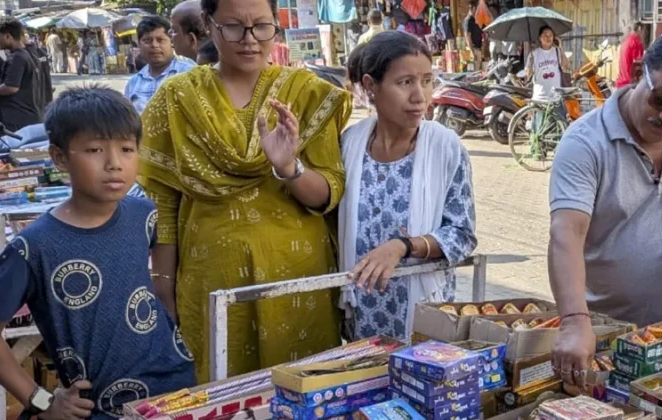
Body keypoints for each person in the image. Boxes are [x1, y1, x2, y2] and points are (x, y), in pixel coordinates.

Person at [0, 87, 196, 420]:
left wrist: (169, 310)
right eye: (95, 150)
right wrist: (42, 401)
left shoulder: (143, 214)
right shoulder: (33, 248)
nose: (115, 164)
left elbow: (159, 266)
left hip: (178, 391)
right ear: (59, 157)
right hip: (104, 418)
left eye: (127, 149)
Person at [139, 0, 352, 382]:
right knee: (222, 399)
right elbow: (164, 206)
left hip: (296, 277)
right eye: (234, 27)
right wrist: (164, 285)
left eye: (262, 26)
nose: (250, 40)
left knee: (303, 397)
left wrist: (288, 167)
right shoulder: (175, 99)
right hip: (210, 278)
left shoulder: (306, 94)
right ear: (208, 25)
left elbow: (328, 194)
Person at [548, 33, 662, 386]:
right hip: (608, 340)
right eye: (661, 100)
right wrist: (574, 321)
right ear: (636, 73)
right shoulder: (584, 143)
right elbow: (567, 232)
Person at [339, 32, 477, 339]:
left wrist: (403, 246)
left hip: (423, 313)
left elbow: (462, 235)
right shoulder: (350, 143)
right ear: (371, 86)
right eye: (405, 83)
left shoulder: (445, 147)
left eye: (427, 80)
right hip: (361, 312)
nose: (420, 96)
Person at [0, 16, 48, 131]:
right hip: (30, 116)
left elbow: (11, 88)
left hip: (18, 120)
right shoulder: (29, 54)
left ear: (8, 36)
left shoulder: (17, 58)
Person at [125, 16, 197, 114]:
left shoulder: (190, 72)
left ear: (171, 41)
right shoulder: (133, 83)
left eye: (160, 40)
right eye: (147, 41)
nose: (154, 45)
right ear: (139, 44)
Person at [525, 26, 568, 103]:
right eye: (545, 35)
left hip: (555, 97)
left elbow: (565, 65)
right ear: (540, 38)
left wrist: (561, 47)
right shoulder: (533, 54)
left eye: (551, 35)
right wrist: (530, 65)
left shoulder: (557, 51)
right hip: (539, 97)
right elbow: (528, 76)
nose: (548, 38)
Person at [615, 22, 644, 88]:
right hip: (630, 81)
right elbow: (638, 62)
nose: (643, 34)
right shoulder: (636, 42)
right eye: (642, 31)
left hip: (621, 80)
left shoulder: (626, 40)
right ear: (639, 29)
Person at [463, 2, 483, 67]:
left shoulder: (474, 20)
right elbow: (467, 36)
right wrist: (472, 52)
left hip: (477, 49)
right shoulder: (468, 20)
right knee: (475, 70)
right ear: (473, 9)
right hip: (473, 49)